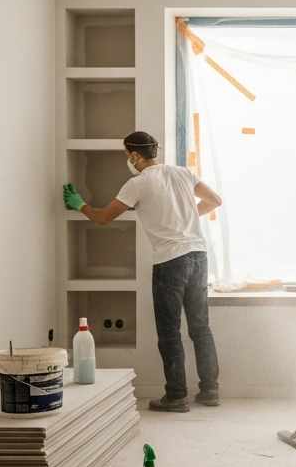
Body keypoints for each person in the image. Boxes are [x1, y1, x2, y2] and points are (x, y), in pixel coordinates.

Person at [63, 131, 224, 413]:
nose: (128, 160)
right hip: (198, 255)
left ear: (135, 155)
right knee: (200, 327)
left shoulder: (137, 184)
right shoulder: (182, 172)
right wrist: (182, 219)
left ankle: (176, 397)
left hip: (171, 261)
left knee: (169, 332)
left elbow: (103, 218)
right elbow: (214, 200)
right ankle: (210, 391)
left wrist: (80, 205)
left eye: (127, 155)